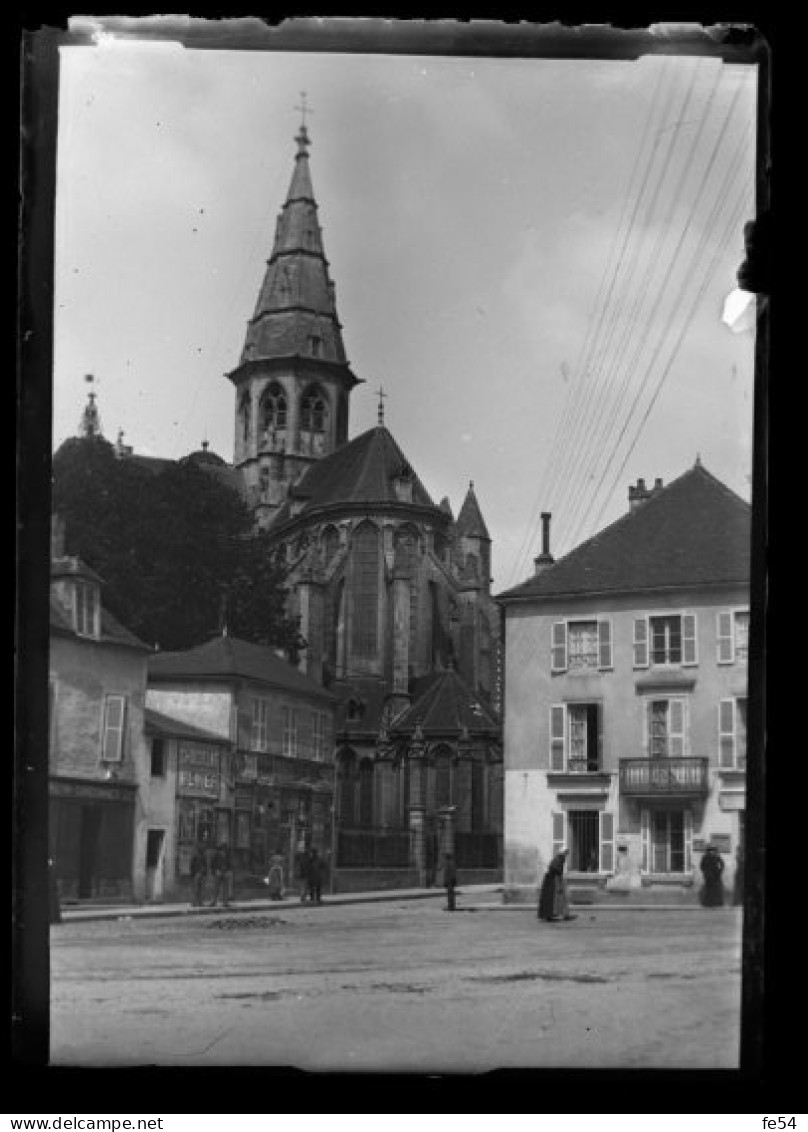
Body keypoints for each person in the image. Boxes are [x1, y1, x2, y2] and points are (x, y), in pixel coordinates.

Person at [537, 849, 576, 922]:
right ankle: (556, 915)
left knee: (560, 897)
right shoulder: (559, 859)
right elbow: (556, 869)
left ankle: (564, 914)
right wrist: (559, 879)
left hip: (554, 880)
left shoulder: (560, 859)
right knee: (555, 898)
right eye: (566, 853)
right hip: (553, 881)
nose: (566, 855)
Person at [210, 843, 231, 908]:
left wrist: (228, 870)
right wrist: (215, 871)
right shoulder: (216, 855)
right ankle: (214, 901)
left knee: (225, 888)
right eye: (223, 849)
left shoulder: (227, 855)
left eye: (224, 849)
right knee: (216, 888)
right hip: (218, 872)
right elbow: (212, 864)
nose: (223, 851)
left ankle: (225, 902)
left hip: (225, 872)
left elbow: (229, 863)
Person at [48, 858, 61, 924]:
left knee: (53, 907)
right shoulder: (52, 870)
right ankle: (53, 919)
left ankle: (54, 919)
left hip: (52, 892)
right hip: (51, 892)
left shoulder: (52, 870)